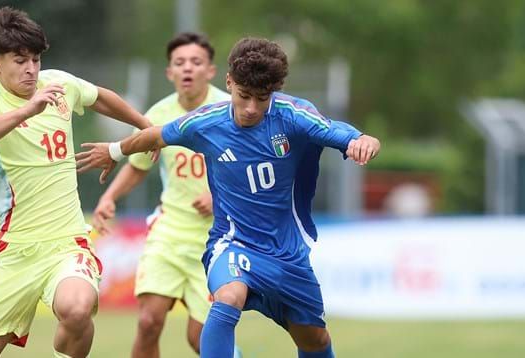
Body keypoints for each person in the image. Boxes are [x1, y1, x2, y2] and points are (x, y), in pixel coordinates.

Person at [76, 37, 381, 358]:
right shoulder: (207, 122)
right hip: (232, 241)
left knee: (314, 340)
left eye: (262, 99)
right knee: (227, 297)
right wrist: (114, 150)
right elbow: (157, 134)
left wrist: (363, 140)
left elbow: (336, 131)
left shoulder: (293, 116)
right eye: (244, 96)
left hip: (288, 253)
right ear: (229, 83)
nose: (251, 108)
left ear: (273, 92)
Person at [0, 7, 152, 358]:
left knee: (77, 309)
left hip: (67, 243)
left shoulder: (58, 85)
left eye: (35, 59)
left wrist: (144, 125)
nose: (31, 69)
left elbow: (99, 96)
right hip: (16, 250)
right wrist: (25, 111)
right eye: (20, 60)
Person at [90, 32, 234, 357]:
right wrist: (109, 197)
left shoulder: (229, 110)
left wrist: (220, 197)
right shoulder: (156, 115)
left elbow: (248, 169)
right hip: (168, 235)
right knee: (148, 322)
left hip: (217, 240)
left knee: (201, 340)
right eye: (179, 63)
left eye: (196, 62)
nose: (187, 69)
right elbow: (138, 166)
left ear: (210, 70)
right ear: (169, 72)